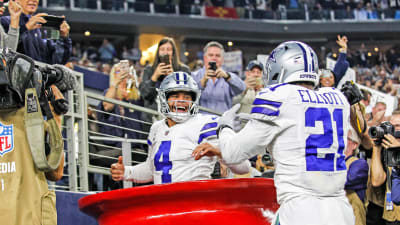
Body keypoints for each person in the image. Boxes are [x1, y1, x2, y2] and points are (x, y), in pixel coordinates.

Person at [194, 41, 355, 225]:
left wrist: (224, 127)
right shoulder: (337, 98)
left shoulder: (278, 95)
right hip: (340, 209)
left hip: (301, 210)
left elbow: (232, 153)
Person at [110, 72, 249, 184]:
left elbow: (244, 167)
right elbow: (153, 170)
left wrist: (219, 152)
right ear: (164, 99)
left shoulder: (206, 123)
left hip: (194, 204)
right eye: (175, 95)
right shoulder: (156, 128)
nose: (181, 100)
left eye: (187, 96)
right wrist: (127, 172)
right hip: (164, 205)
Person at [0, 85, 65, 225]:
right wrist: (56, 117)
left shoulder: (31, 116)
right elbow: (55, 173)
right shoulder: (32, 118)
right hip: (28, 215)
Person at [1, 0, 72, 64]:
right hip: (17, 76)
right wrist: (26, 28)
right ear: (16, 1)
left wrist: (64, 38)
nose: (34, 0)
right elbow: (7, 50)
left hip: (41, 77)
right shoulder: (5, 21)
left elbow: (57, 60)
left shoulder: (44, 25)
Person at [139, 37, 190, 122]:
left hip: (176, 117)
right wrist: (154, 77)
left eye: (169, 49)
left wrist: (173, 78)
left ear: (173, 52)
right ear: (158, 52)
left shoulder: (184, 70)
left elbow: (187, 95)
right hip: (152, 118)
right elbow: (145, 95)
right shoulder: (149, 70)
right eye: (162, 49)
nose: (165, 52)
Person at [192, 41, 246, 113]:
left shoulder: (228, 76)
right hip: (201, 121)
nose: (214, 58)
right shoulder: (194, 76)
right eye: (211, 55)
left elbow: (242, 88)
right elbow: (188, 96)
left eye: (217, 56)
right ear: (204, 58)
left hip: (221, 121)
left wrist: (227, 77)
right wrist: (202, 82)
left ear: (222, 59)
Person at [369, 111, 400, 225]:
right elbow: (377, 181)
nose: (393, 131)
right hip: (391, 216)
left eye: (397, 126)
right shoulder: (386, 151)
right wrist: (376, 148)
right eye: (391, 126)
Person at [345, 126, 369, 225]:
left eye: (344, 138)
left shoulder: (359, 164)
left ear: (354, 145)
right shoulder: (332, 164)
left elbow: (347, 180)